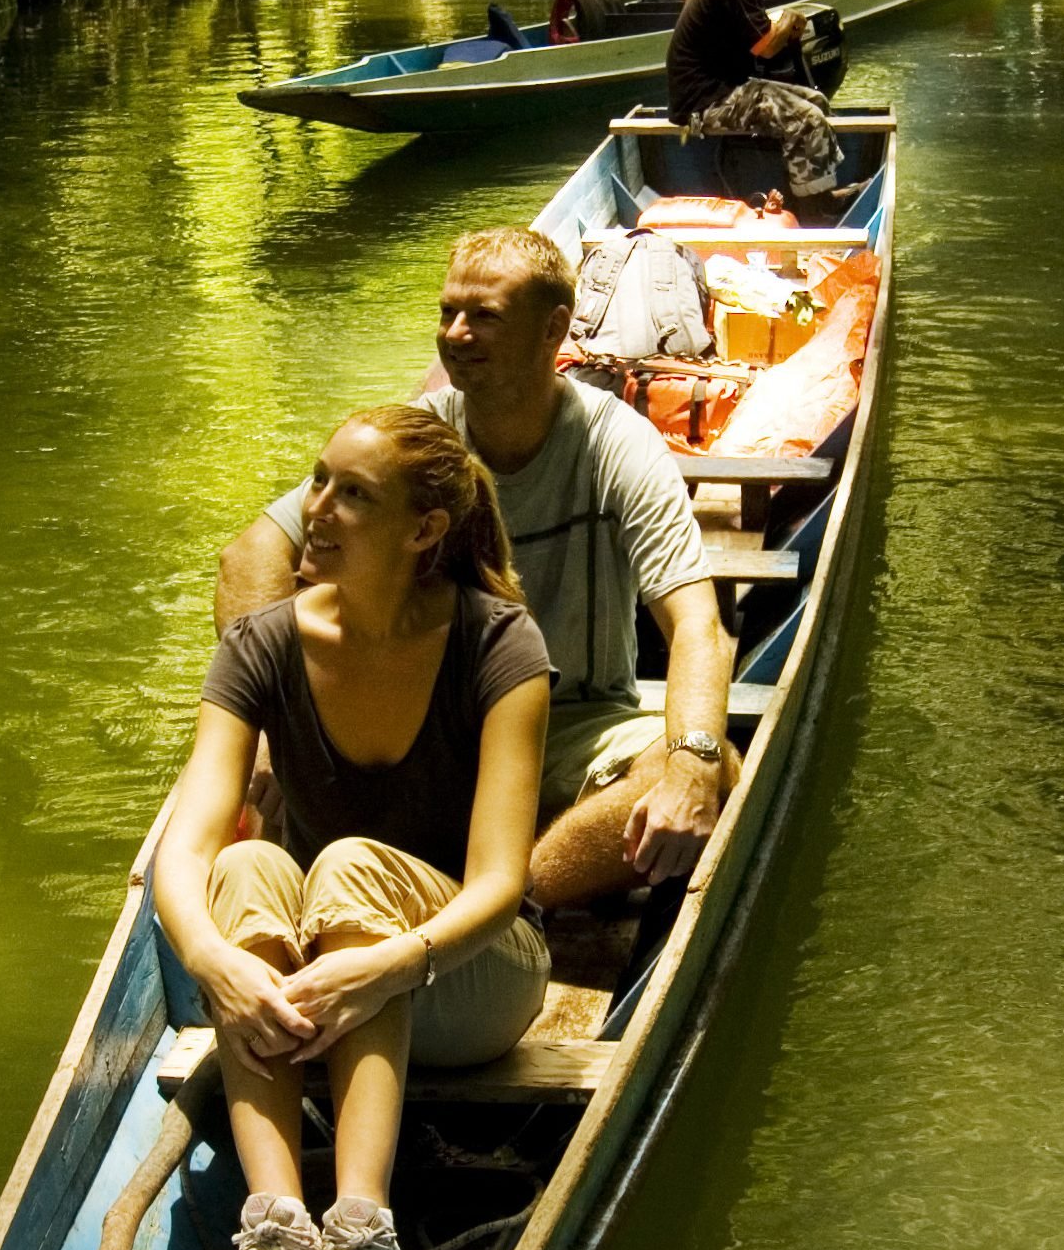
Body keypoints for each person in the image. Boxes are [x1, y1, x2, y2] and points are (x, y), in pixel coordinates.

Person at [157, 405, 554, 1250]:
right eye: (319, 480)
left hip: (472, 977)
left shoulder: (500, 645)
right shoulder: (261, 643)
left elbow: (500, 883)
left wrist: (385, 966)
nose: (317, 508)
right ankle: (276, 1229)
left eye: (354, 495)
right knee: (246, 864)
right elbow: (187, 844)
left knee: (346, 863)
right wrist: (211, 960)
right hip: (324, 989)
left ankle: (364, 1233)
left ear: (424, 530)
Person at [218, 227, 738, 913]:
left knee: (712, 768)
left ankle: (498, 903)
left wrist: (693, 762)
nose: (455, 334)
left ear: (553, 329)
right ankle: (465, 907)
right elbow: (251, 555)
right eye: (447, 312)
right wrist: (271, 725)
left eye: (484, 316)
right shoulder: (419, 444)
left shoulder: (616, 443)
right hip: (427, 728)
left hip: (574, 725)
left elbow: (697, 624)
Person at [664, 0, 849, 225]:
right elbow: (767, 47)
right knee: (806, 119)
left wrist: (783, 28)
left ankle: (818, 192)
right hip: (705, 102)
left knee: (816, 101)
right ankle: (814, 210)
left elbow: (759, 39)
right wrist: (790, 21)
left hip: (724, 88)